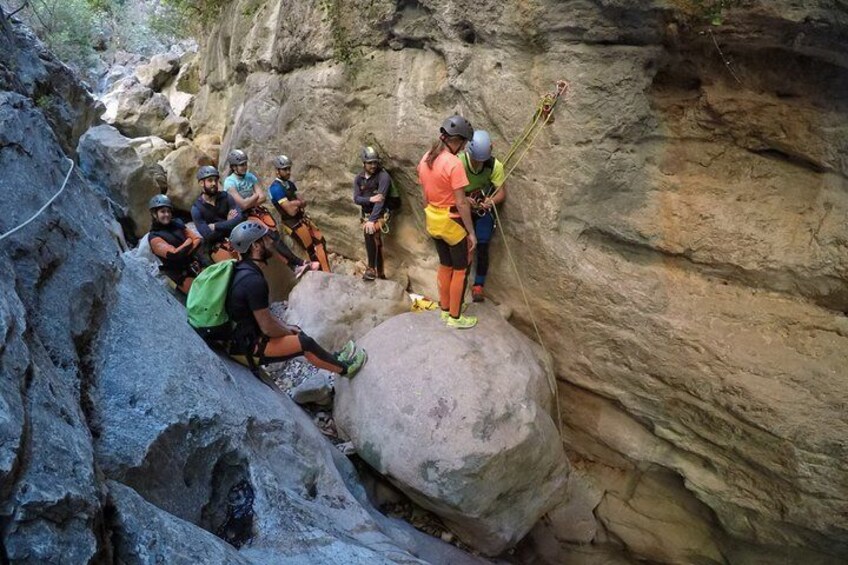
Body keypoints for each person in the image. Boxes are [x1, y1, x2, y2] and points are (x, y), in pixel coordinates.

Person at [225, 221, 366, 376]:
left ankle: (333, 359)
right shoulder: (253, 281)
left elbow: (264, 317)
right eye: (265, 239)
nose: (271, 242)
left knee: (296, 331)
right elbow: (267, 328)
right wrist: (287, 332)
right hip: (247, 346)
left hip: (246, 335)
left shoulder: (245, 271)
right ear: (255, 246)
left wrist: (288, 329)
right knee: (305, 344)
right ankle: (346, 370)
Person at [417, 114, 477, 329]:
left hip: (434, 220)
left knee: (445, 265)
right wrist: (471, 232)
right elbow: (461, 204)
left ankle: (445, 309)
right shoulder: (453, 163)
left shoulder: (426, 158)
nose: (463, 148)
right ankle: (455, 316)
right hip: (452, 223)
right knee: (460, 269)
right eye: (463, 143)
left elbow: (426, 194)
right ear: (457, 140)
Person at [224, 149, 316, 276]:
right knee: (270, 238)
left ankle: (295, 266)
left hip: (258, 212)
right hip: (245, 216)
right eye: (241, 165)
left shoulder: (250, 177)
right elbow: (243, 205)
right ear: (234, 167)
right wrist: (254, 197)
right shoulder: (230, 182)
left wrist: (250, 200)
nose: (244, 167)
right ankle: (298, 263)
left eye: (245, 164)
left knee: (273, 237)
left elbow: (263, 197)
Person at [459, 130, 507, 302]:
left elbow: (501, 193)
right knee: (462, 243)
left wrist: (490, 201)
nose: (479, 163)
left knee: (483, 244)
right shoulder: (460, 162)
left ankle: (478, 284)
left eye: (482, 160)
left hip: (481, 209)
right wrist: (464, 199)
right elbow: (450, 189)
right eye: (476, 159)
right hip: (462, 207)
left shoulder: (494, 165)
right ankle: (459, 281)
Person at [268, 155, 332, 272]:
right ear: (277, 171)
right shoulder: (275, 188)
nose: (288, 172)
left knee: (321, 241)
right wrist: (298, 203)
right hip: (292, 223)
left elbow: (303, 202)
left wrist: (295, 203)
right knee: (310, 249)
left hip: (302, 218)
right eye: (285, 169)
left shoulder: (289, 184)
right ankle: (319, 275)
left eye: (289, 169)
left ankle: (327, 272)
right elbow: (291, 211)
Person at [147, 194, 205, 293]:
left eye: (168, 211)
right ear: (154, 214)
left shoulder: (177, 223)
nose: (167, 214)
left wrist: (185, 249)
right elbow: (174, 254)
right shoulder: (154, 237)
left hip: (193, 263)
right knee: (201, 294)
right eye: (162, 212)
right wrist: (189, 241)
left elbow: (197, 239)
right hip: (178, 273)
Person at [352, 146, 392, 281]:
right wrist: (370, 199)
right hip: (366, 214)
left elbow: (380, 201)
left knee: (370, 231)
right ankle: (380, 273)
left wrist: (372, 219)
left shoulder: (383, 176)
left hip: (380, 213)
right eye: (370, 163)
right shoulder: (359, 178)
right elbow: (356, 199)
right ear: (364, 163)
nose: (373, 165)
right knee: (375, 240)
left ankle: (371, 268)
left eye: (375, 162)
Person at [190, 165, 243, 263]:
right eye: (210, 180)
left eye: (215, 180)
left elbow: (239, 218)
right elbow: (208, 235)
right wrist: (228, 222)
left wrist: (216, 226)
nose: (214, 183)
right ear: (201, 183)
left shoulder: (226, 197)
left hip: (235, 236)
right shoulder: (196, 208)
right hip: (215, 244)